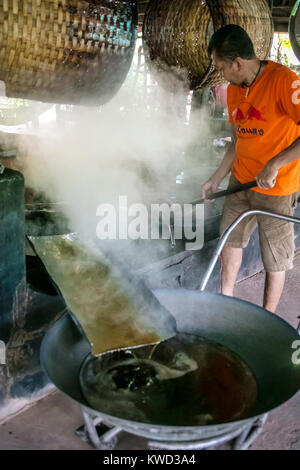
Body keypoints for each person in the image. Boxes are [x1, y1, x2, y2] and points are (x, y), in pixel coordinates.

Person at [202, 25, 300, 313]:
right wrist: (215, 179)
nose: (220, 73)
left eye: (221, 66)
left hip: (277, 187)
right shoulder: (233, 91)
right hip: (240, 183)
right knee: (229, 242)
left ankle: (266, 318)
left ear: (238, 63)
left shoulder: (285, 82)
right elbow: (238, 141)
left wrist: (275, 163)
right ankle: (225, 303)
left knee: (275, 258)